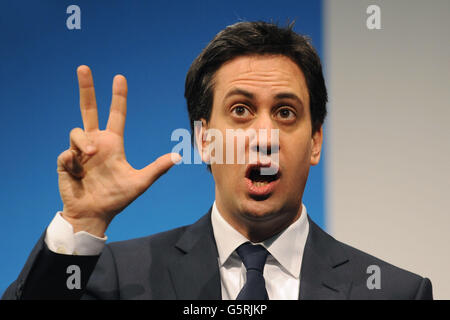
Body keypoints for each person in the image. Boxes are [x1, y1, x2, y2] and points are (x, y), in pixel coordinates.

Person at [2, 21, 432, 300]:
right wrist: (83, 223)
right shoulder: (117, 278)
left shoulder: (395, 292)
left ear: (316, 142)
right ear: (204, 141)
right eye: (241, 110)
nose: (264, 136)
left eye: (285, 113)